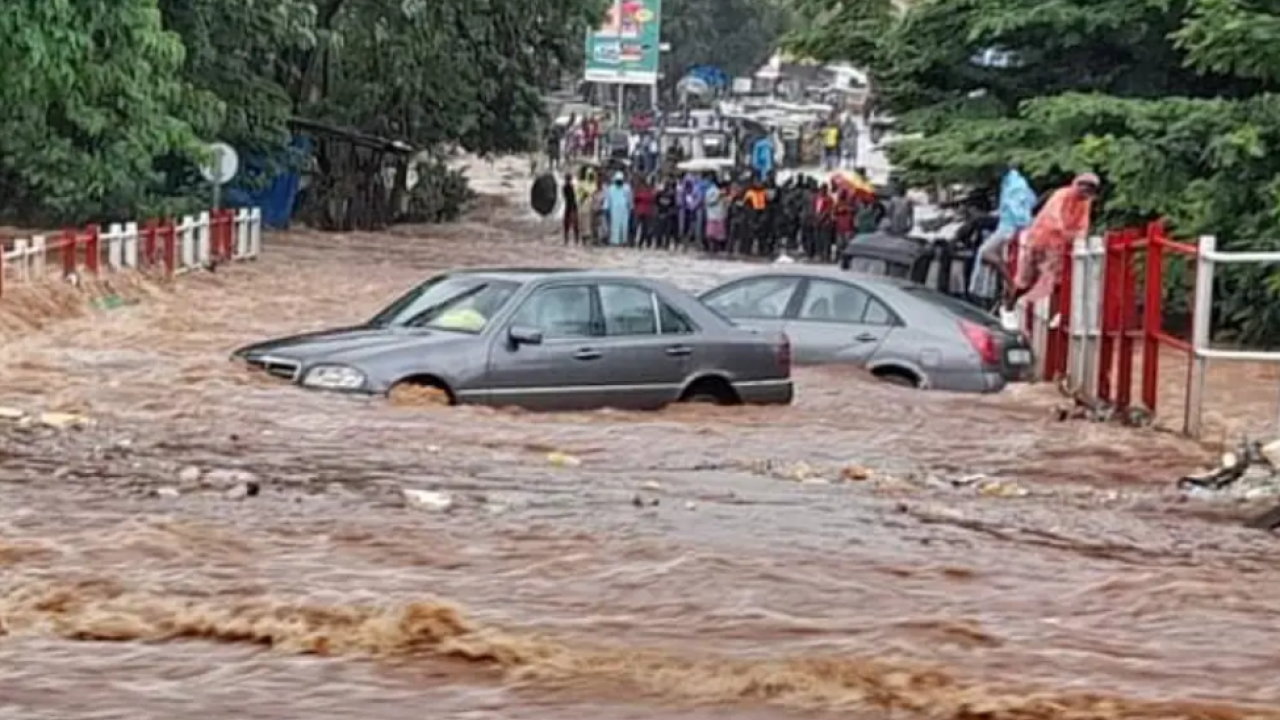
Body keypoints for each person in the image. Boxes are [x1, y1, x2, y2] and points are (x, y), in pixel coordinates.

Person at [1000, 172, 1099, 328]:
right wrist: (1066, 231)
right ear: (1077, 184)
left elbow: (1083, 223)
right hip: (1040, 241)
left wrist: (1079, 237)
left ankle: (1057, 314)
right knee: (1026, 280)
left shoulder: (1085, 203)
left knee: (1058, 281)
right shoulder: (1061, 195)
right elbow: (1053, 217)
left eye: (1090, 188)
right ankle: (1009, 307)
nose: (1085, 191)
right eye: (1084, 186)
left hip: (1058, 246)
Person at [972, 164, 1037, 298]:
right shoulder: (1009, 182)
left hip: (1010, 226)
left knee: (985, 252)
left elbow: (1016, 207)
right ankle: (1005, 280)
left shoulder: (1016, 184)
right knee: (994, 255)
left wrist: (1021, 223)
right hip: (1007, 224)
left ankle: (1010, 282)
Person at [604, 172, 633, 247]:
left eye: (620, 181)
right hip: (614, 210)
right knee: (615, 225)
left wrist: (631, 207)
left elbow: (630, 199)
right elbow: (608, 199)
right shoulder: (611, 188)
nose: (619, 182)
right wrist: (606, 207)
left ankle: (624, 241)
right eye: (618, 180)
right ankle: (614, 241)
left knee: (624, 226)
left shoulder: (627, 188)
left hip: (624, 210)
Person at [631, 175, 657, 248]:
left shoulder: (649, 190)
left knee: (645, 228)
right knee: (635, 227)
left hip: (647, 212)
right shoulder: (639, 189)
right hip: (640, 211)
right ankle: (634, 241)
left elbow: (652, 199)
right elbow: (635, 198)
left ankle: (641, 242)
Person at [704, 178, 728, 253]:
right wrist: (718, 197)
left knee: (719, 236)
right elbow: (708, 202)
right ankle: (711, 249)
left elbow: (725, 204)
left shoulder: (723, 192)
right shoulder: (710, 191)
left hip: (720, 216)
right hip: (712, 216)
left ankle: (716, 249)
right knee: (711, 235)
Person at [655, 178, 678, 250]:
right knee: (660, 230)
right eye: (666, 185)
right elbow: (656, 203)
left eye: (668, 185)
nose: (667, 186)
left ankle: (666, 245)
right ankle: (659, 244)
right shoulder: (659, 193)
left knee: (667, 231)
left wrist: (669, 213)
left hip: (668, 214)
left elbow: (673, 205)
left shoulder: (672, 194)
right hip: (661, 213)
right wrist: (658, 212)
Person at [561, 173, 579, 244]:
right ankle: (574, 239)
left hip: (569, 206)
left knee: (568, 224)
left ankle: (568, 239)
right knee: (574, 224)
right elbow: (572, 197)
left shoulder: (565, 187)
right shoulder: (569, 187)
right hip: (572, 206)